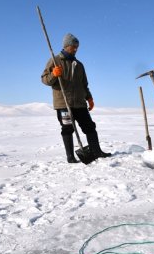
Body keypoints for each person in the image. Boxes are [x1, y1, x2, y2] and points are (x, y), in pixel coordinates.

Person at [41, 33, 111, 163]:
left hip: (80, 103)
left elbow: (84, 84)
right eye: (73, 46)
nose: (76, 49)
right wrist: (53, 75)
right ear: (66, 46)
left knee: (89, 126)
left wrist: (89, 98)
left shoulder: (79, 65)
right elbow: (44, 80)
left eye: (77, 47)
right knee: (67, 129)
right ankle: (70, 157)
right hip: (63, 103)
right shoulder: (54, 60)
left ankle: (96, 151)